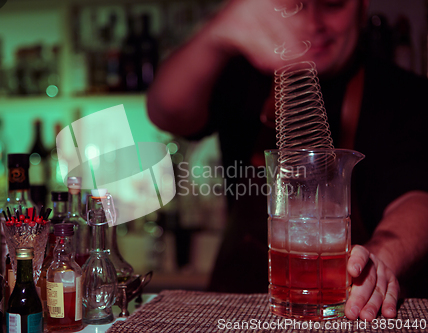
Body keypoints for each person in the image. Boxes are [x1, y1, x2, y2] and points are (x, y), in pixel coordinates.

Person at [147, 0, 428, 322]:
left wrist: (379, 258)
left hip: (342, 308)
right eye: (296, 5)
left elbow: (417, 198)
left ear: (362, 7)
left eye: (333, 5)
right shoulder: (244, 78)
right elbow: (165, 109)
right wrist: (217, 35)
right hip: (234, 311)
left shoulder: (403, 94)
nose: (313, 23)